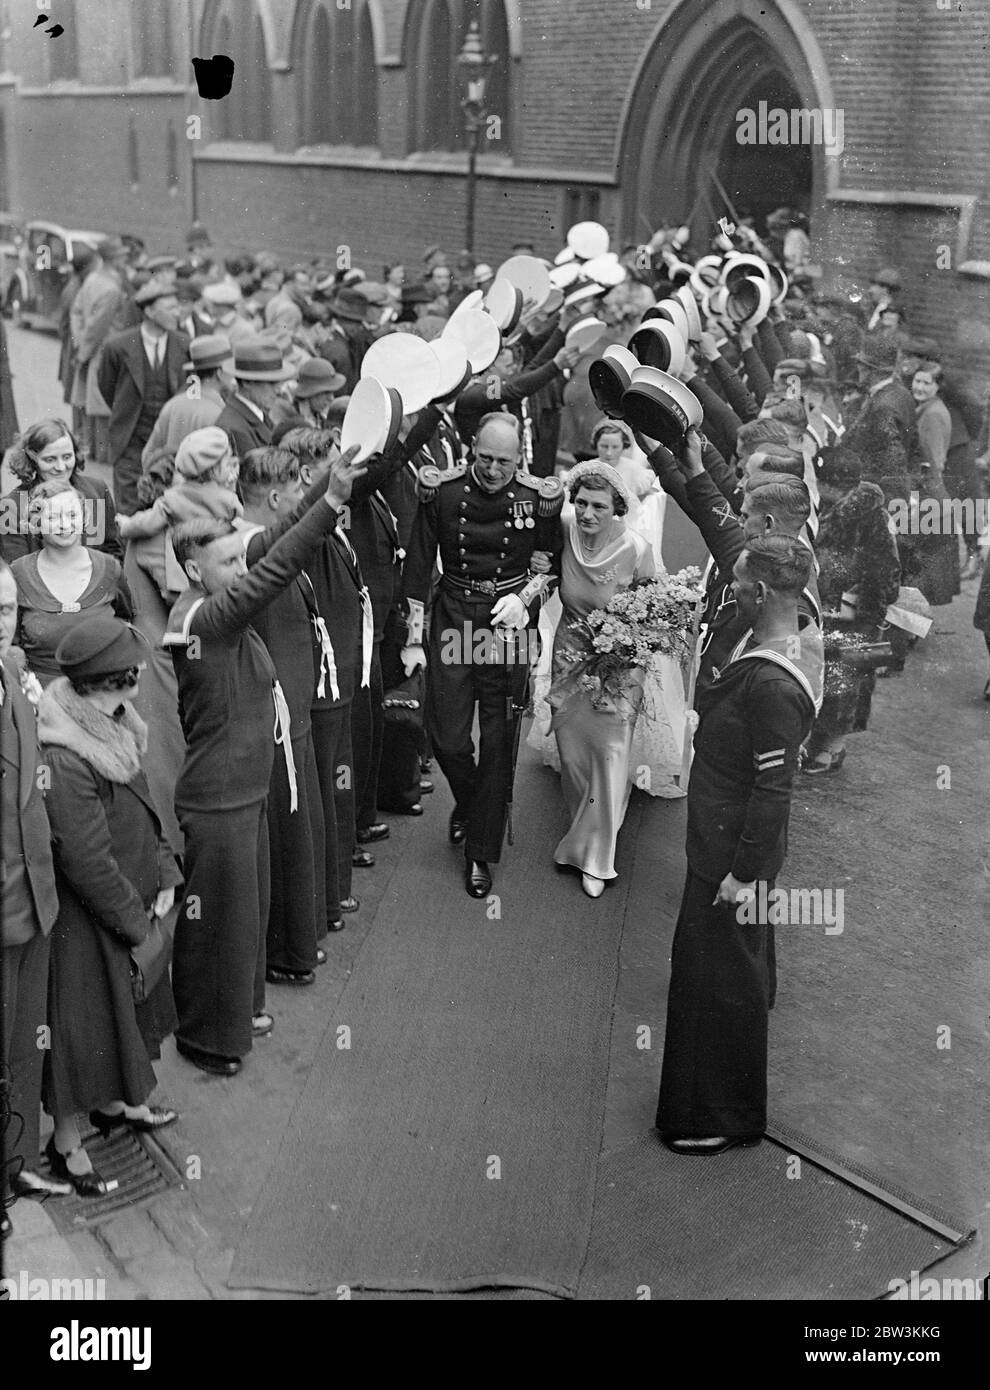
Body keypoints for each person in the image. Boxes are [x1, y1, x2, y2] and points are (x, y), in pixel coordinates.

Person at [163, 445, 366, 1076]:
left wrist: (320, 496)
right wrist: (330, 502)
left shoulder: (214, 598)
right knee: (218, 927)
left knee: (243, 918)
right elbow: (274, 567)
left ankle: (240, 1013)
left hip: (242, 788)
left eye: (235, 553)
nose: (238, 563)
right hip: (219, 796)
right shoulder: (205, 617)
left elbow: (271, 542)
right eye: (224, 559)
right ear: (196, 572)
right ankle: (209, 1037)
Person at [656, 535, 823, 1155]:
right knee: (732, 972)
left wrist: (745, 874)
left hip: (730, 858)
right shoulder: (789, 638)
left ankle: (717, 1115)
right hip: (725, 844)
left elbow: (772, 787)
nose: (732, 595)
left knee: (714, 982)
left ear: (762, 593)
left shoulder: (772, 685)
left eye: (739, 588)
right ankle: (720, 1105)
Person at [37, 616, 182, 1195]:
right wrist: (138, 926)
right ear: (105, 682)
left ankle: (121, 1105)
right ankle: (66, 1145)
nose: (140, 683)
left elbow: (143, 806)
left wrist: (165, 869)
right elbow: (86, 861)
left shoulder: (113, 720)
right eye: (132, 677)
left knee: (126, 1019)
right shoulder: (64, 759)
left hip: (131, 904)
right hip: (90, 922)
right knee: (80, 1033)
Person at [401, 413, 564, 898]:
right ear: (472, 449)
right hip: (455, 614)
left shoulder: (539, 499)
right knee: (448, 735)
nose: (493, 470)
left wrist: (528, 598)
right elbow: (416, 564)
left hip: (507, 623)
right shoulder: (444, 492)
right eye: (485, 458)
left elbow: (551, 565)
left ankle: (480, 850)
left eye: (504, 462)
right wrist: (413, 636)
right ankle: (473, 803)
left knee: (498, 739)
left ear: (520, 459)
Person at [544, 464, 659, 896]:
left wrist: (625, 648)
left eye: (599, 506)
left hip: (620, 664)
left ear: (618, 509)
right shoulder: (564, 531)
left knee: (609, 757)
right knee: (574, 757)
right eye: (582, 503)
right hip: (570, 654)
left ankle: (597, 859)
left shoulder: (636, 548)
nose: (588, 513)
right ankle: (583, 833)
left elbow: (654, 611)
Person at [236, 445, 326, 985]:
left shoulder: (261, 538)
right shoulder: (252, 544)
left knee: (300, 828)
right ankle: (285, 953)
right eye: (296, 485)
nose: (300, 493)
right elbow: (292, 535)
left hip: (294, 707)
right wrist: (330, 493)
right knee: (285, 834)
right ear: (273, 496)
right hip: (275, 715)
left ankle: (297, 943)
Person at [1, 560, 65, 1209]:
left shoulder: (17, 672)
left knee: (25, 1048)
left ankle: (16, 1163)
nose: (1, 625)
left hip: (33, 898)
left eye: (8, 610)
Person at [11, 481, 132, 686]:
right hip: (40, 696)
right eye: (53, 517)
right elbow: (10, 642)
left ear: (84, 518)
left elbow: (127, 622)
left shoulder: (110, 569)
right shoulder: (18, 574)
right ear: (37, 522)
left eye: (72, 515)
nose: (64, 524)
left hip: (101, 693)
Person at [97, 279, 190, 515]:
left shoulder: (184, 345)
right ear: (149, 311)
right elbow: (108, 388)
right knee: (128, 511)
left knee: (165, 508)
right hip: (130, 441)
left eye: (178, 307)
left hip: (169, 444)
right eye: (170, 308)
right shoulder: (117, 346)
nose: (177, 313)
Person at [118, 426, 242, 602]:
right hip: (219, 569)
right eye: (228, 462)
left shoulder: (172, 498)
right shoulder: (229, 500)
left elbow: (147, 524)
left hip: (180, 574)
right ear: (215, 470)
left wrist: (126, 525)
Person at [1, 416, 122, 564]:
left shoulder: (96, 491)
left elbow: (113, 552)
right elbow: (16, 569)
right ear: (32, 459)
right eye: (50, 460)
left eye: (67, 457)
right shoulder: (11, 506)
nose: (61, 467)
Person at [69, 235, 129, 464]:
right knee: (103, 408)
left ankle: (93, 456)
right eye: (122, 256)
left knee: (92, 407)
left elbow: (76, 313)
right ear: (114, 259)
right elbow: (98, 327)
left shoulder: (92, 279)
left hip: (89, 350)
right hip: (103, 354)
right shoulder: (111, 288)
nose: (125, 260)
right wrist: (84, 351)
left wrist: (78, 343)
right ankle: (101, 460)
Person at [139, 335, 235, 471]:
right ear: (220, 372)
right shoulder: (220, 413)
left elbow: (147, 456)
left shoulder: (173, 404)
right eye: (231, 368)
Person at [213, 341, 294, 461]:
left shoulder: (257, 414)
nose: (279, 390)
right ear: (247, 382)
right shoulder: (235, 428)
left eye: (280, 382)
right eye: (271, 383)